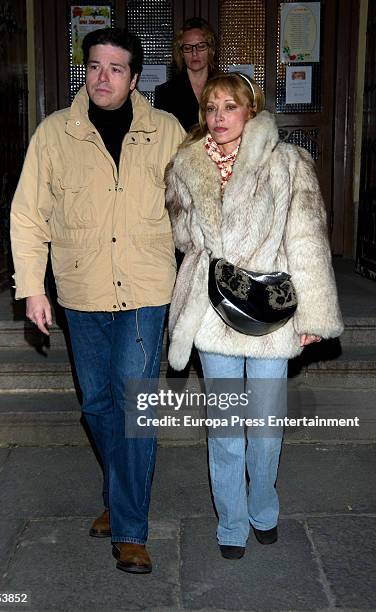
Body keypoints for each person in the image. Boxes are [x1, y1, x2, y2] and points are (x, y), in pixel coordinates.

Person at [10, 28, 185, 574]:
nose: (102, 77)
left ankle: (131, 528)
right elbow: (27, 215)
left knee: (135, 409)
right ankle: (119, 494)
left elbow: (198, 203)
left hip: (145, 290)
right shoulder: (55, 135)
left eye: (115, 68)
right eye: (94, 66)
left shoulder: (168, 132)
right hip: (82, 291)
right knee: (96, 405)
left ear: (135, 78)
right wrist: (33, 287)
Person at [165, 73, 343, 559]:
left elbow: (306, 242)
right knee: (225, 430)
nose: (219, 118)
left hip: (270, 311)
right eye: (211, 108)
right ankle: (232, 523)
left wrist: (315, 314)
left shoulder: (286, 163)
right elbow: (185, 242)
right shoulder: (185, 166)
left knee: (265, 427)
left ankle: (263, 507)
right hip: (214, 311)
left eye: (230, 107)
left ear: (251, 111)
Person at [154, 17, 216, 131]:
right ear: (181, 53)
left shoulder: (226, 87)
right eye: (187, 48)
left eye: (201, 46)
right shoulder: (165, 93)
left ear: (210, 49)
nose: (194, 53)